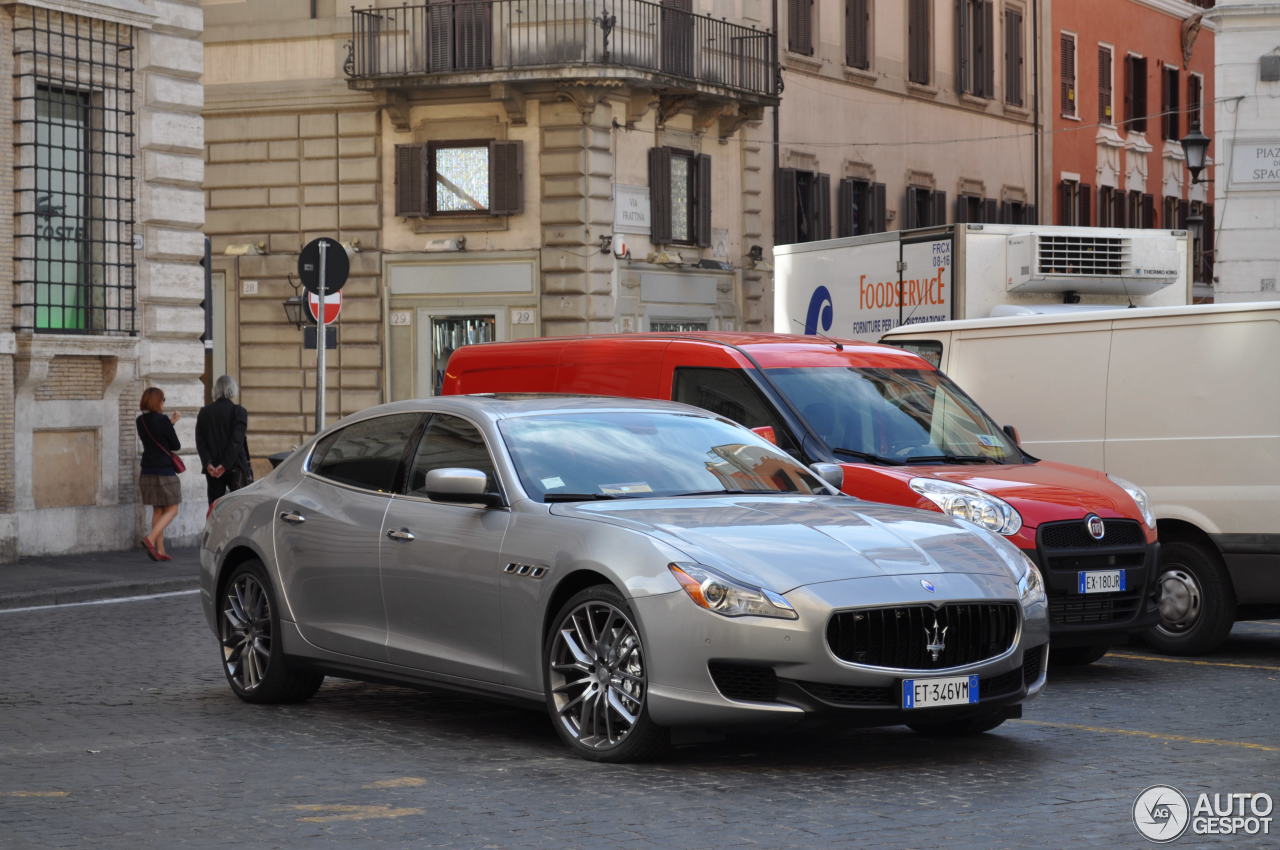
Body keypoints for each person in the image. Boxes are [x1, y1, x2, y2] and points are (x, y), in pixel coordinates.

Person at [137, 387, 182, 561]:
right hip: (164, 471)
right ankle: (150, 539)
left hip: (147, 470)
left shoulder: (140, 421)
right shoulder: (162, 420)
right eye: (163, 400)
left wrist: (169, 423)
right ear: (158, 401)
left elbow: (156, 438)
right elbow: (175, 445)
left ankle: (160, 550)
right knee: (172, 508)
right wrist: (171, 424)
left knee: (158, 509)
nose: (164, 403)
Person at [196, 375, 252, 506]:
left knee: (215, 507)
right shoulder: (239, 411)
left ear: (215, 390)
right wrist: (225, 465)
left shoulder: (204, 412)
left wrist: (208, 463)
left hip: (213, 469)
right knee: (239, 507)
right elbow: (236, 441)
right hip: (236, 467)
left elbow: (200, 441)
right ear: (232, 390)